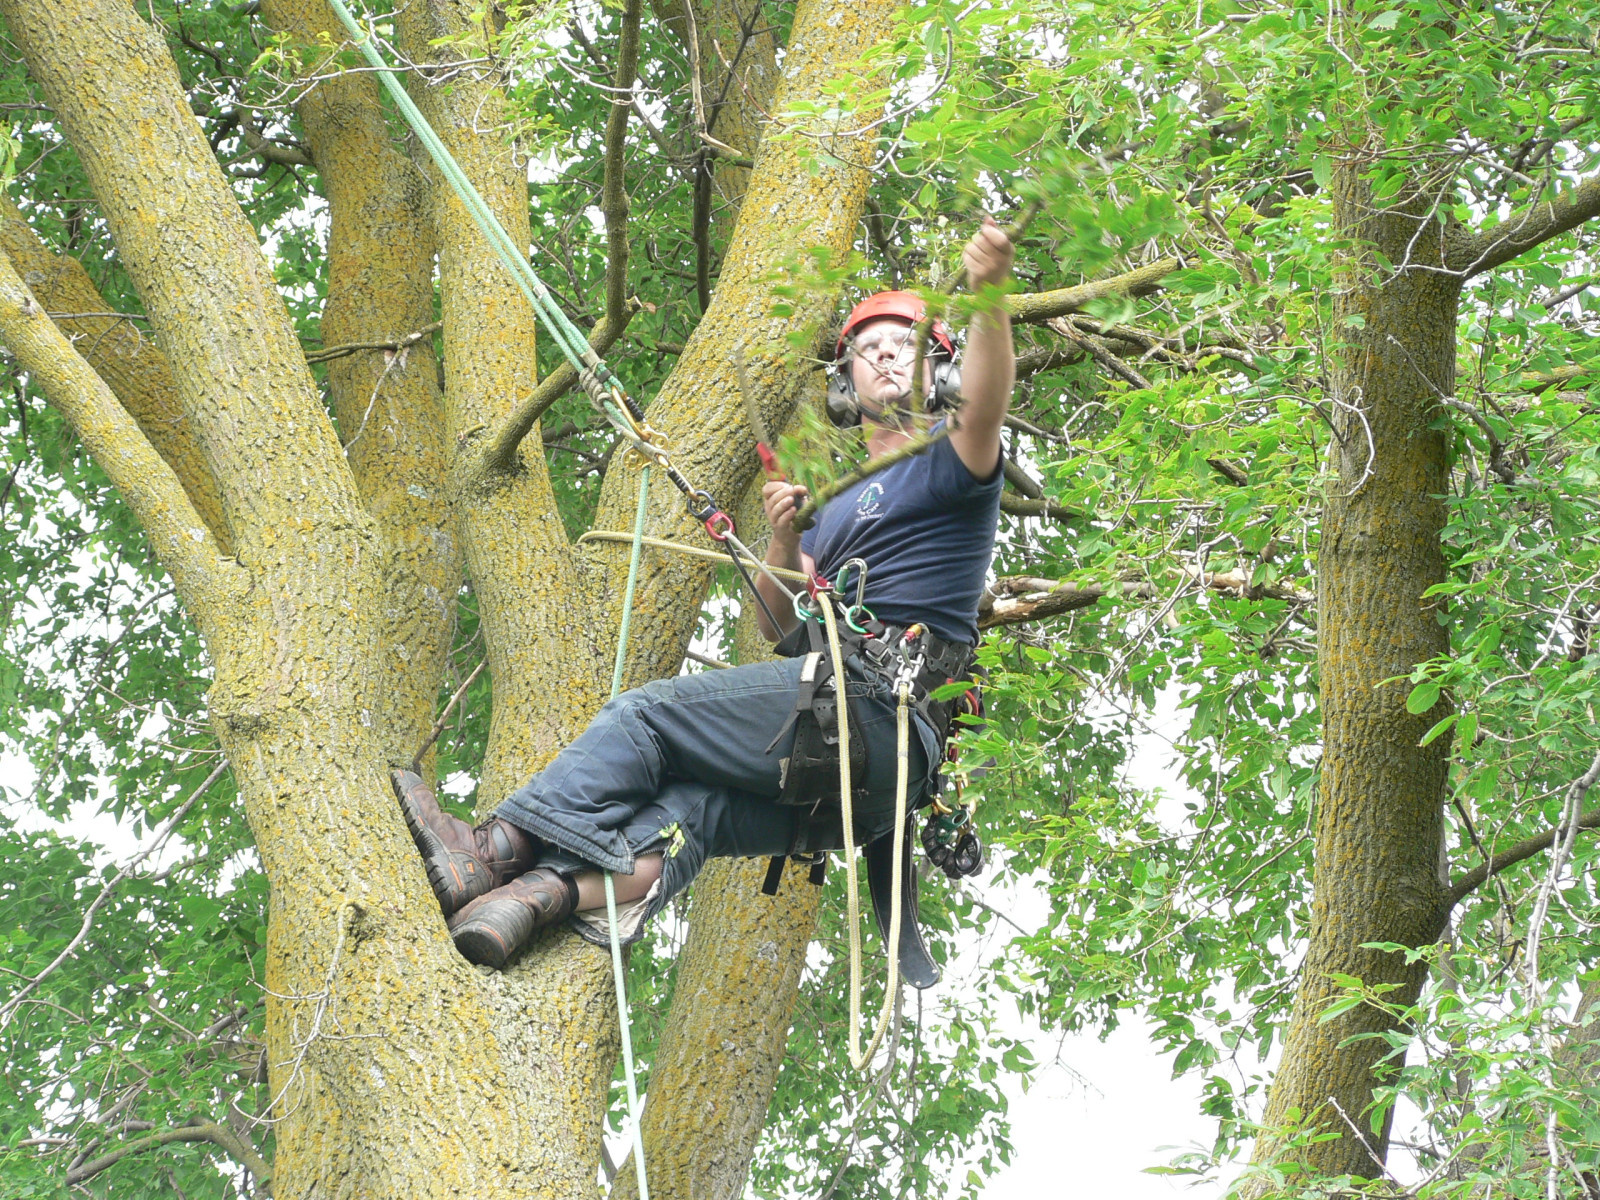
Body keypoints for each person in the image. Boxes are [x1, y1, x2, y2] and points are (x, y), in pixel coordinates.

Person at [394, 219, 1015, 971]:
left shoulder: (952, 464)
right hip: (851, 761)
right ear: (844, 384)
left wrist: (988, 295)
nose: (884, 356)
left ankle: (487, 851)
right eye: (866, 349)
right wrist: (786, 542)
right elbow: (776, 626)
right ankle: (534, 898)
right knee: (697, 813)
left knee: (649, 715)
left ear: (942, 368)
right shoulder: (838, 502)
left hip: (880, 713)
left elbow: (986, 404)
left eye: (905, 345)